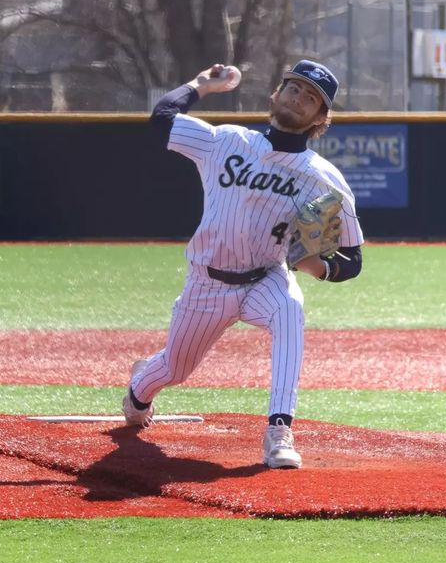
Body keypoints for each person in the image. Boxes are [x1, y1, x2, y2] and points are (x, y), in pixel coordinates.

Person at [123, 61, 365, 469]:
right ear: (277, 93)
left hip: (265, 279)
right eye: (294, 89)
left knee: (290, 309)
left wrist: (315, 266)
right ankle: (137, 390)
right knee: (174, 369)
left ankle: (279, 429)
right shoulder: (227, 141)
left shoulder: (325, 179)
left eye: (311, 99)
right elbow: (162, 118)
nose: (298, 100)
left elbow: (352, 260)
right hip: (207, 284)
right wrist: (201, 84)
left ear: (320, 118)